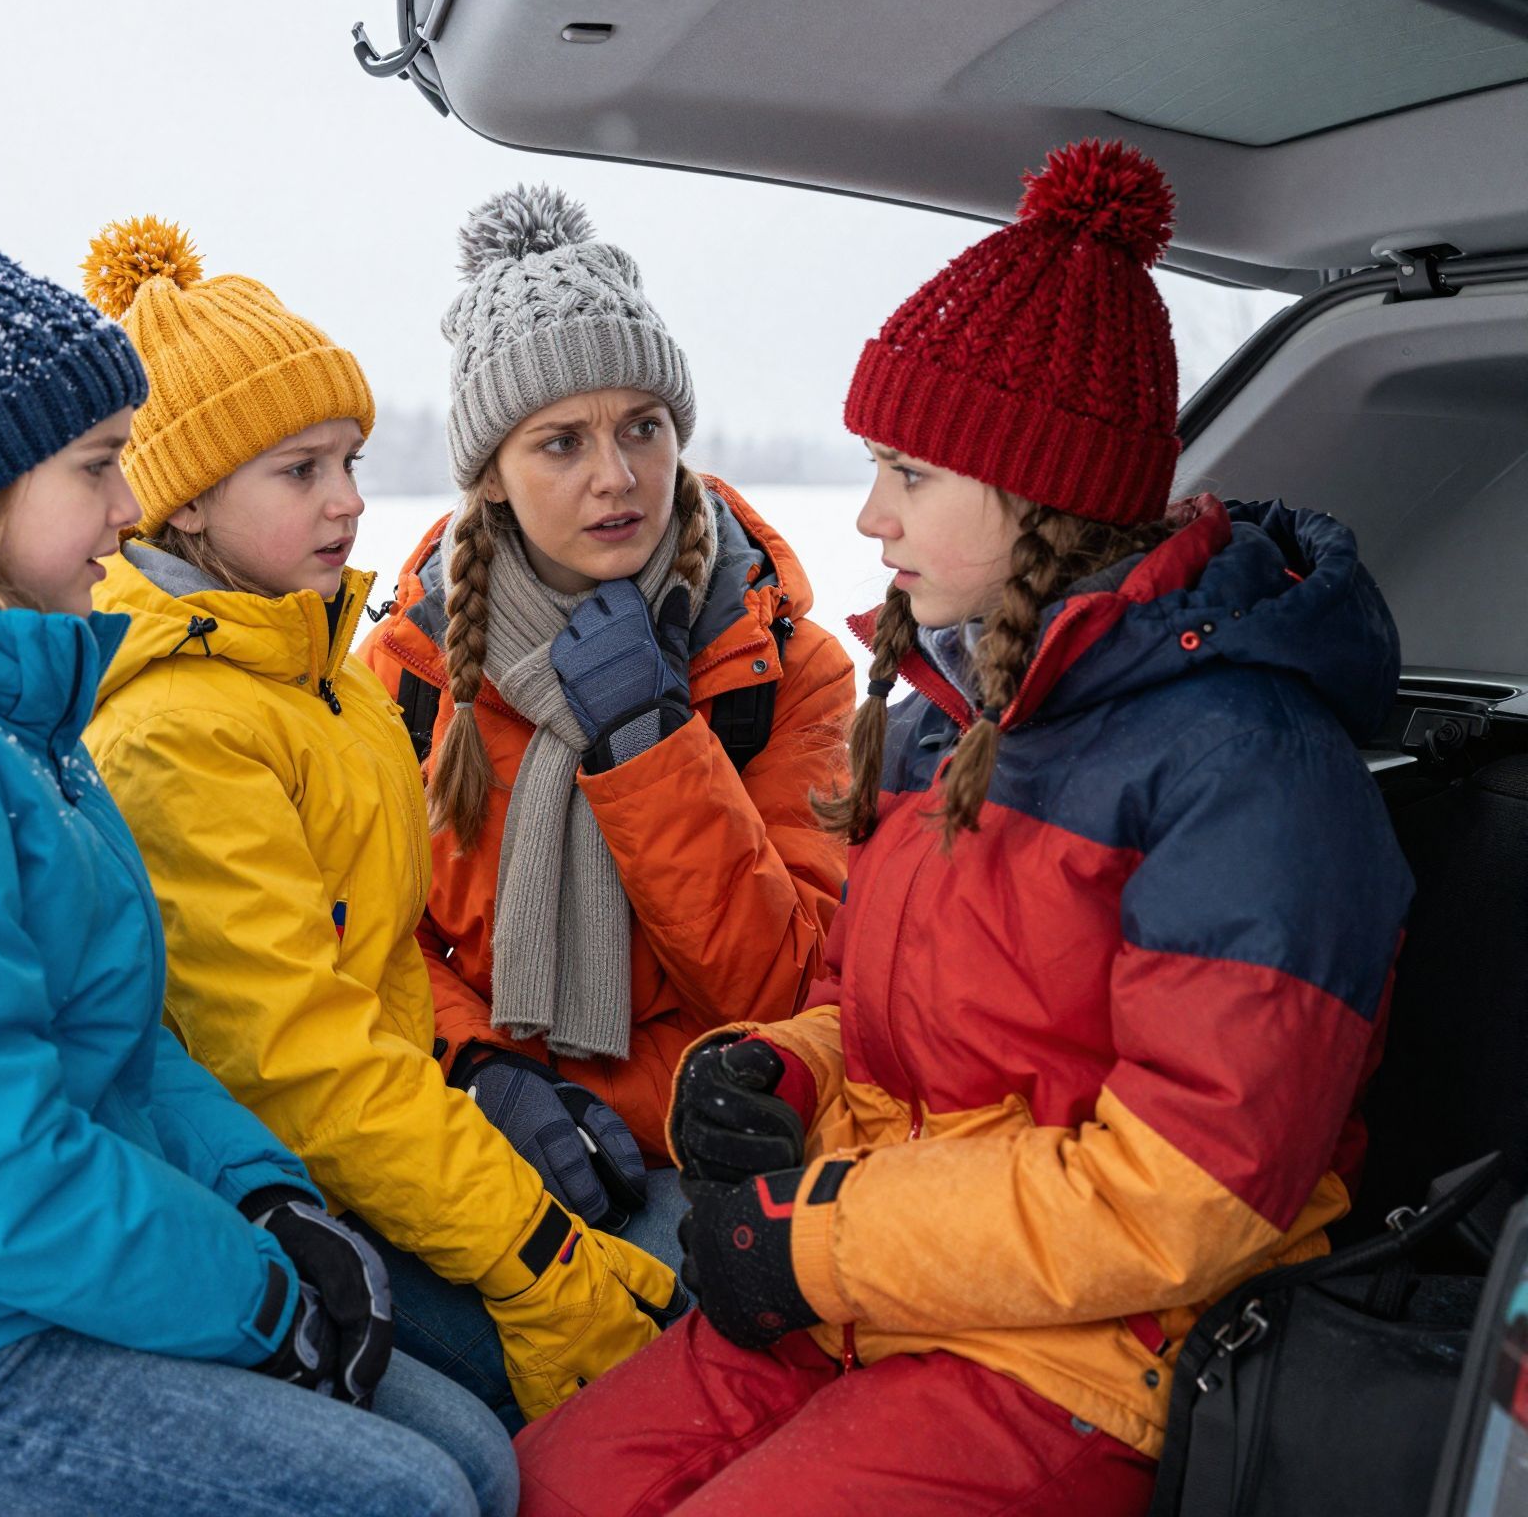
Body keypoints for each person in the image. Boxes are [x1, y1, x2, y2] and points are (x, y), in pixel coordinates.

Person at [511, 140, 1414, 1517]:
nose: (870, 515)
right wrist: (776, 1072)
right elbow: (869, 1014)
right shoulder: (952, 712)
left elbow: (1185, 1195)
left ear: (1039, 489)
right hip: (867, 1299)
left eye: (909, 473)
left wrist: (816, 1242)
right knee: (535, 1487)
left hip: (1085, 1361)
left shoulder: (1250, 770)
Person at [0, 173, 514, 1517]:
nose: (129, 506)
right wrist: (253, 1298)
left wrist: (263, 1197)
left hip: (15, 1270)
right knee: (407, 1498)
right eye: (98, 465)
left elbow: (118, 1040)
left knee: (475, 1457)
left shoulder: (7, 714)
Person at [76, 214, 680, 1436]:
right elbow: (297, 1063)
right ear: (184, 506)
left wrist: (479, 1079)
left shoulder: (323, 678)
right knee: (599, 1386)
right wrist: (529, 1250)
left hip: (392, 1150)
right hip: (292, 1198)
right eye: (298, 471)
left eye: (347, 460)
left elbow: (386, 965)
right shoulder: (178, 729)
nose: (349, 501)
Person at [354, 186, 855, 1408]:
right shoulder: (406, 677)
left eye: (642, 427)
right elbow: (367, 943)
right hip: (484, 1144)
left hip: (688, 1158)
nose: (616, 477)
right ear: (490, 474)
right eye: (559, 443)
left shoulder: (784, 669)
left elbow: (786, 989)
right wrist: (479, 1072)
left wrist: (650, 745)